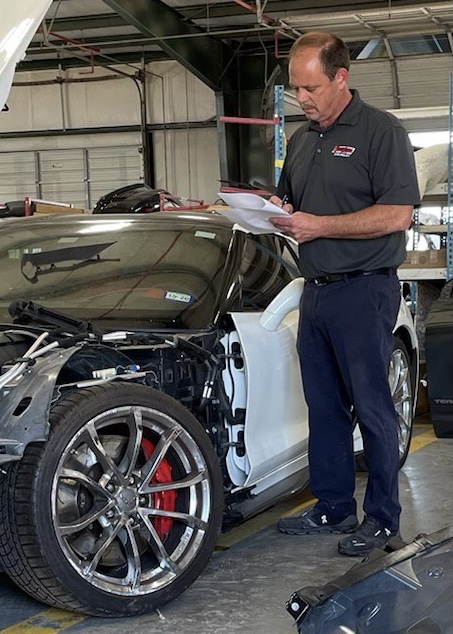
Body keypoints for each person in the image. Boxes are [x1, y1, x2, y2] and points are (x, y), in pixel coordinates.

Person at [269, 31, 420, 557]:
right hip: (316, 292)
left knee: (373, 409)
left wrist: (319, 226)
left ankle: (382, 518)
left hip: (364, 291)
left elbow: (397, 214)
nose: (302, 99)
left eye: (311, 87)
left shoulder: (381, 133)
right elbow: (292, 205)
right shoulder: (302, 139)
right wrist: (271, 208)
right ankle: (334, 507)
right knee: (324, 408)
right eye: (295, 89)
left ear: (341, 78)